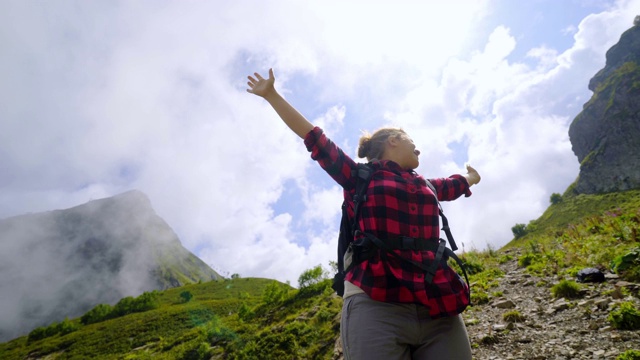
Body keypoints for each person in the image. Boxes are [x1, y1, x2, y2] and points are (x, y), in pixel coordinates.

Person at [247, 68, 481, 360]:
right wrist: (271, 95)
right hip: (375, 301)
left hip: (436, 303)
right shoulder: (360, 175)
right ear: (392, 141)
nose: (418, 148)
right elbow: (315, 139)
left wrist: (471, 179)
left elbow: (452, 185)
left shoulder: (426, 185)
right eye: (411, 140)